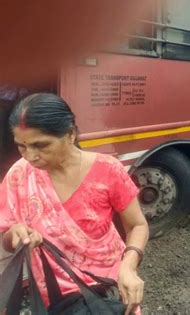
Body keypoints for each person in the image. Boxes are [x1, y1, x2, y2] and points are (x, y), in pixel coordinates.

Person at [0, 93, 149, 314]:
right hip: (54, 292)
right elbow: (6, 240)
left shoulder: (108, 170)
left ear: (70, 134)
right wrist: (17, 234)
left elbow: (138, 225)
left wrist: (129, 266)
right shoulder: (19, 175)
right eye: (22, 146)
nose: (30, 156)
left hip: (108, 284)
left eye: (41, 145)